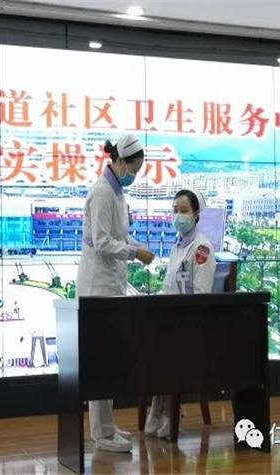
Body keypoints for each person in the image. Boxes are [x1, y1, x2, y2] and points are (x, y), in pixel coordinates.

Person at [76, 133, 155, 453]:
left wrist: (137, 246)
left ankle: (106, 427)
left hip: (110, 284)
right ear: (120, 161)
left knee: (108, 359)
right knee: (101, 360)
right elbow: (102, 242)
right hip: (98, 285)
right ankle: (101, 434)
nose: (134, 175)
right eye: (133, 169)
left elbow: (119, 235)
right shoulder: (102, 193)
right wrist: (134, 253)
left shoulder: (117, 193)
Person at [144, 189, 216, 439]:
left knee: (164, 351)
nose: (178, 216)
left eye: (184, 210)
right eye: (175, 210)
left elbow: (201, 294)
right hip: (172, 322)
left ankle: (165, 412)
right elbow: (168, 288)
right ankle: (162, 409)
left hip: (192, 325)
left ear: (196, 214)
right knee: (152, 347)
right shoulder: (177, 246)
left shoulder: (202, 248)